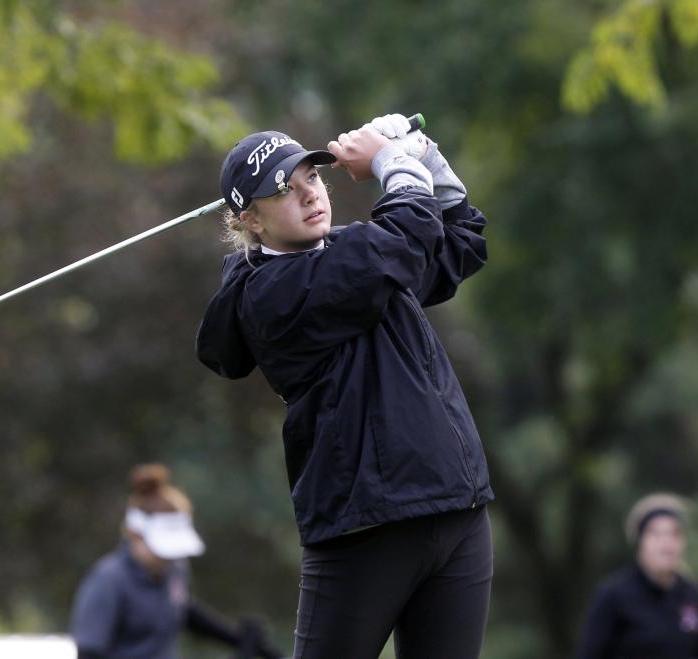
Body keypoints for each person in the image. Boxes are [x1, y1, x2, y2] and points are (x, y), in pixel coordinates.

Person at [196, 114, 494, 659]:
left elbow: (458, 241)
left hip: (457, 511)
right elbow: (404, 240)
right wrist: (388, 161)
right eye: (285, 190)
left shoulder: (357, 253)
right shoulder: (269, 294)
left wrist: (421, 153)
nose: (310, 195)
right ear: (251, 222)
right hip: (366, 527)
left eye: (313, 177)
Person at [70, 463, 284, 659]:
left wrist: (235, 639)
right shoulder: (108, 581)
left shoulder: (174, 569)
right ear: (135, 535)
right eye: (163, 551)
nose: (170, 558)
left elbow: (183, 609)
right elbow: (89, 651)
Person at [575, 492, 698, 659]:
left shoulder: (692, 594)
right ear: (640, 541)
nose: (666, 543)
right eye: (656, 534)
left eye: (674, 534)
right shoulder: (613, 595)